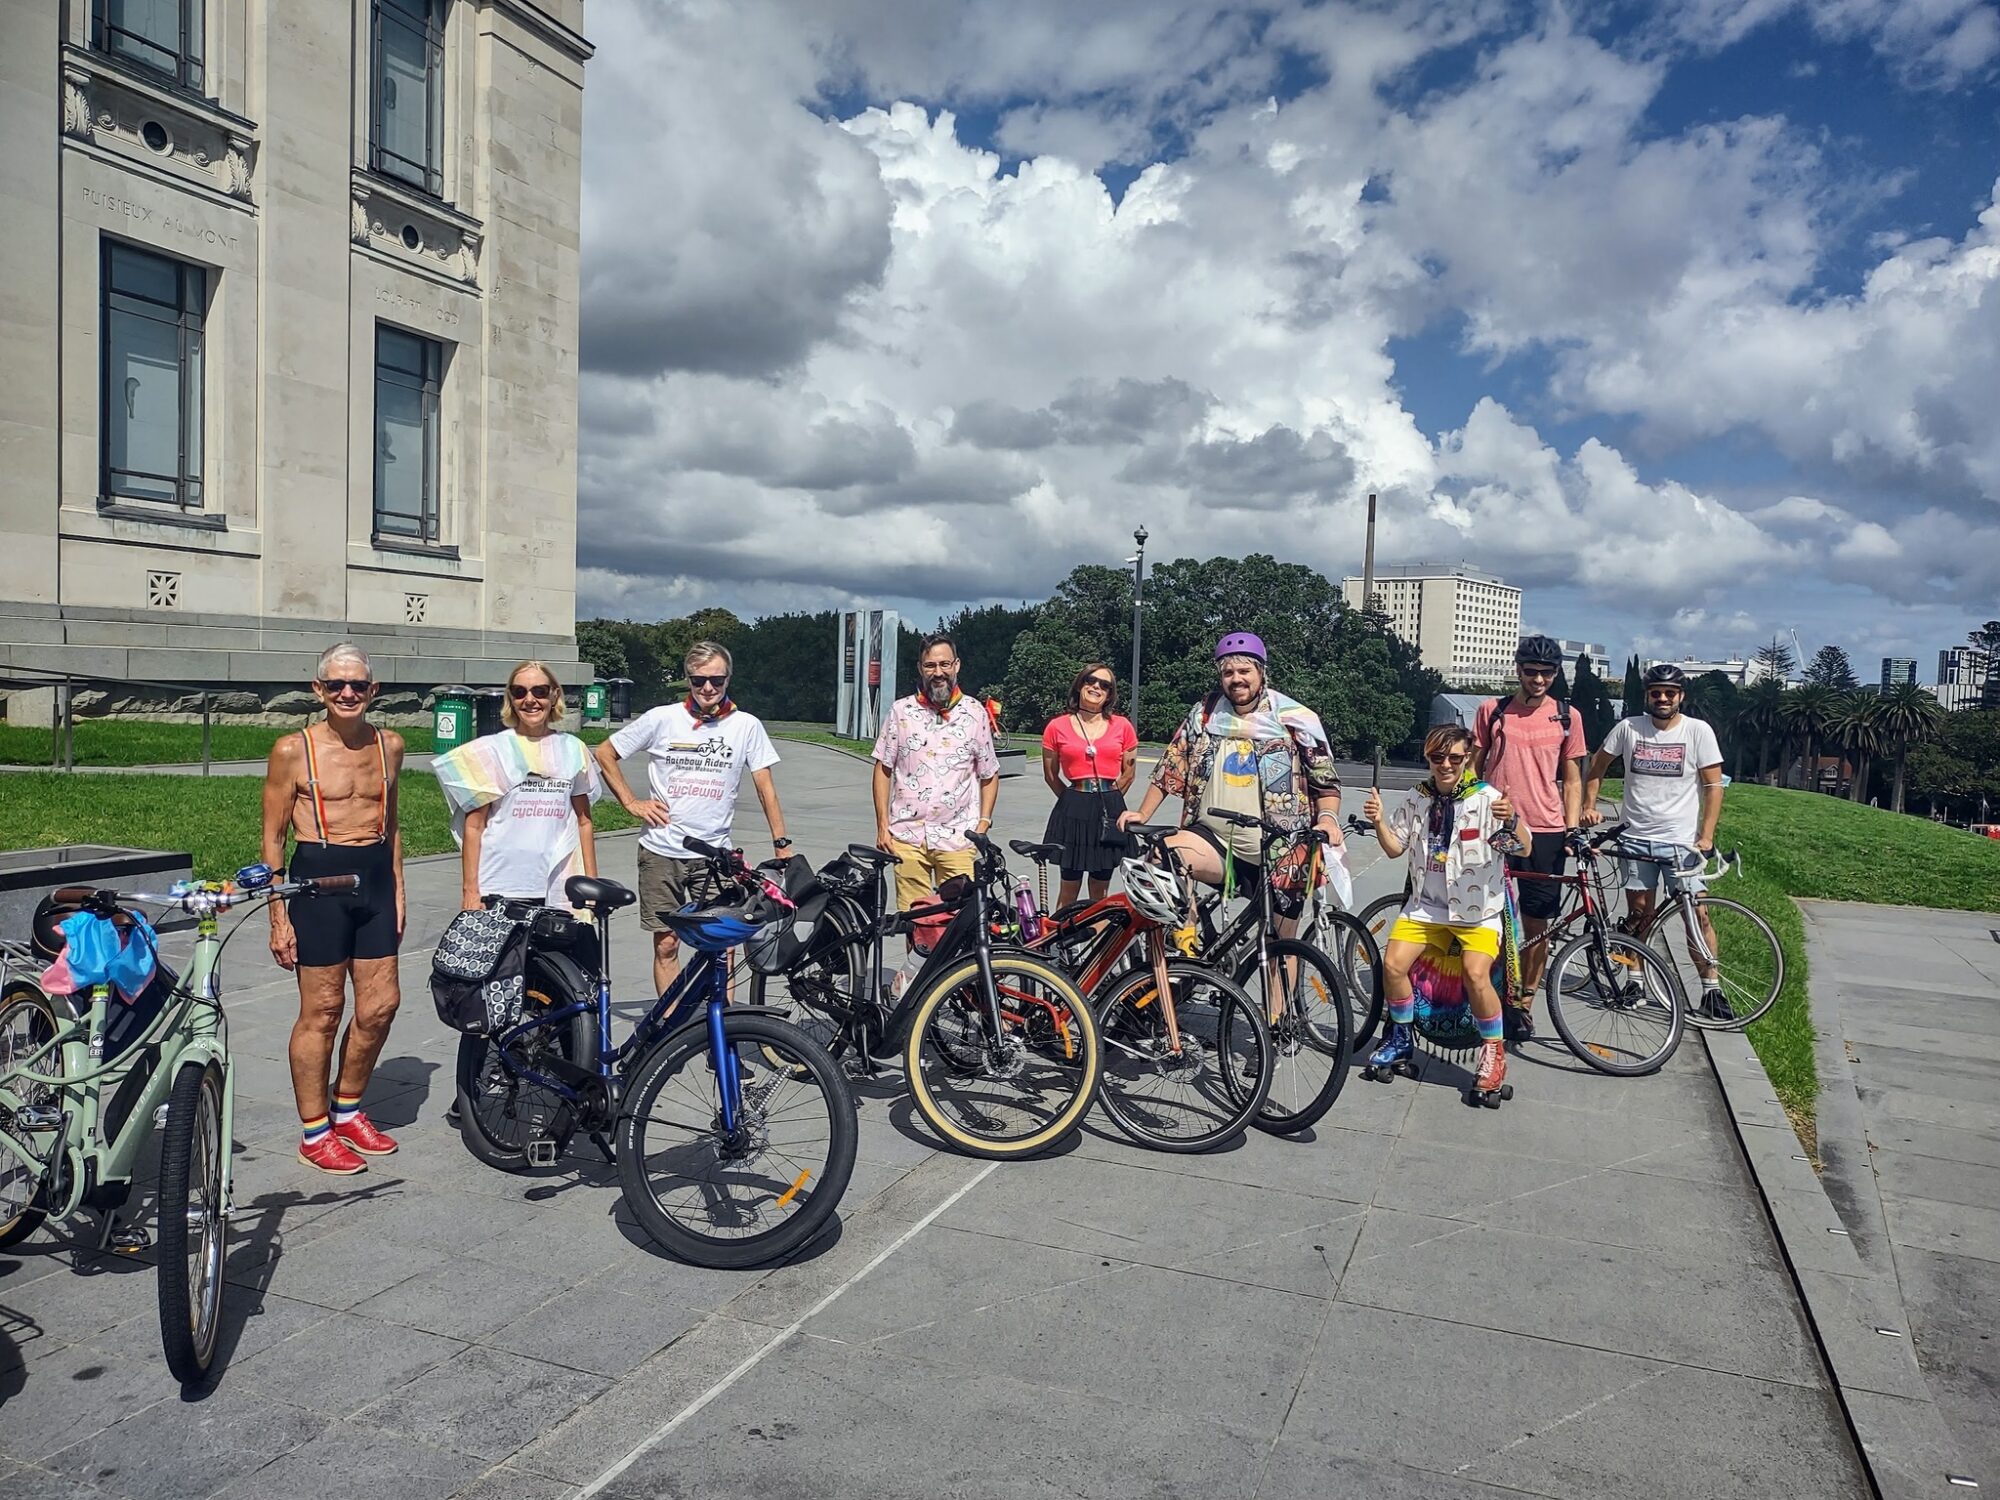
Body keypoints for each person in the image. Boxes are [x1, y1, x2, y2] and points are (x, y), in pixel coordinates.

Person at [259, 645, 407, 1175]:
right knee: (322, 1011)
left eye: (358, 686)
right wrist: (278, 915)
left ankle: (347, 1109)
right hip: (317, 880)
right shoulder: (292, 750)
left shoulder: (390, 745)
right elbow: (272, 837)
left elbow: (391, 822)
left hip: (373, 881)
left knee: (380, 1005)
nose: (348, 693)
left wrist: (399, 889)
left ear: (374, 691)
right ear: (318, 690)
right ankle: (314, 1129)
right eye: (337, 685)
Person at [594, 642, 790, 1000]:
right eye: (698, 680)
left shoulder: (746, 726)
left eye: (716, 680)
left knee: (722, 948)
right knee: (667, 945)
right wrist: (632, 802)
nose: (708, 689)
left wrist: (782, 845)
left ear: (728, 678)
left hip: (715, 856)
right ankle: (671, 1035)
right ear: (688, 679)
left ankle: (723, 1035)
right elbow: (605, 753)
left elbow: (766, 788)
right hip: (661, 852)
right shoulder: (662, 718)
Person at [1118, 632, 1345, 924]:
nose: (1236, 678)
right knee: (1163, 856)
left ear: (1261, 672)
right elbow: (1173, 764)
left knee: (1280, 948)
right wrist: (1143, 812)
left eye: (1244, 671)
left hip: (1281, 849)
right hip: (1214, 839)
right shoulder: (1206, 713)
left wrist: (1327, 818)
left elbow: (1324, 780)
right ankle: (1188, 949)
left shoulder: (1293, 718)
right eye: (1228, 672)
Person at [1361, 724, 1523, 1102]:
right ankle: (1402, 1038)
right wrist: (1378, 821)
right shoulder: (1417, 798)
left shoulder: (1487, 799)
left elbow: (1521, 847)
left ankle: (1493, 1055)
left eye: (1454, 758)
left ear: (1467, 758)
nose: (1446, 765)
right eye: (1438, 757)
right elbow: (1393, 849)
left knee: (1475, 973)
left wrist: (1512, 820)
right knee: (1393, 965)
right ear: (1428, 758)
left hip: (1477, 911)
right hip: (1426, 908)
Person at [1582, 662, 1730, 1018]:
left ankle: (1712, 989)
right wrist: (1589, 806)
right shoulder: (1629, 728)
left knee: (1699, 915)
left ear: (1681, 696)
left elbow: (1713, 785)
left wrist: (1706, 835)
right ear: (1646, 695)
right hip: (1636, 839)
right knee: (1639, 915)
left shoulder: (1698, 731)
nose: (1662, 698)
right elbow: (1597, 767)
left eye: (1669, 693)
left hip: (1681, 845)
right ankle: (1636, 980)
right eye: (1656, 693)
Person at [1472, 634, 1586, 1040]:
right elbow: (1474, 766)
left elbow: (1572, 780)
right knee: (1490, 915)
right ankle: (1493, 992)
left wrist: (1572, 829)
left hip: (1546, 829)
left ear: (1556, 674)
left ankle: (1524, 1003)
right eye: (1531, 671)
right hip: (1496, 825)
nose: (1538, 679)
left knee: (1537, 925)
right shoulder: (1493, 710)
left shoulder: (1568, 716)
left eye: (1546, 672)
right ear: (1518, 670)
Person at [435, 661, 602, 910]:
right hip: (499, 887)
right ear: (510, 699)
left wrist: (591, 884)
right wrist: (471, 891)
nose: (530, 699)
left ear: (555, 695)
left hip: (558, 887)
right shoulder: (491, 750)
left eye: (540, 691)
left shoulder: (573, 749)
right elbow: (474, 826)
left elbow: (584, 822)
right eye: (520, 692)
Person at [873, 633, 1000, 947]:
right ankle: (917, 990)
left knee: (961, 925)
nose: (938, 672)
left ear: (957, 665)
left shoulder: (974, 713)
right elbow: (883, 768)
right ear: (920, 668)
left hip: (957, 837)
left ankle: (956, 992)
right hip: (907, 837)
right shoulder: (901, 712)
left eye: (944, 664)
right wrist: (882, 826)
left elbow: (989, 773)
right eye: (930, 665)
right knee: (915, 925)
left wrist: (983, 823)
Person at [1039, 664, 1138, 908]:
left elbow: (1128, 774)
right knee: (1069, 886)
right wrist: (1074, 799)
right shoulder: (1057, 726)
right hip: (1073, 807)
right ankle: (1060, 941)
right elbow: (1051, 775)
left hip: (1109, 807)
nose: (1097, 687)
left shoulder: (1122, 726)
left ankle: (1098, 939)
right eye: (1091, 681)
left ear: (1110, 694)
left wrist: (1106, 798)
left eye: (1105, 685)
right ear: (1080, 684)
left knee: (1099, 887)